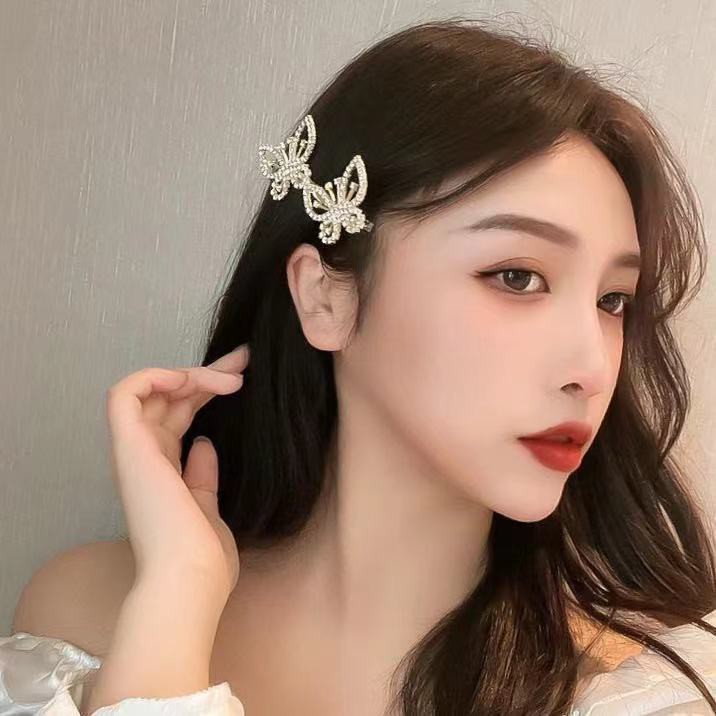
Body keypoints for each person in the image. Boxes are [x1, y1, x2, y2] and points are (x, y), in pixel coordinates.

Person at [4, 15, 716, 716]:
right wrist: (177, 591)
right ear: (325, 297)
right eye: (517, 277)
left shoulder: (639, 694)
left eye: (613, 300)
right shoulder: (88, 619)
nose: (592, 367)